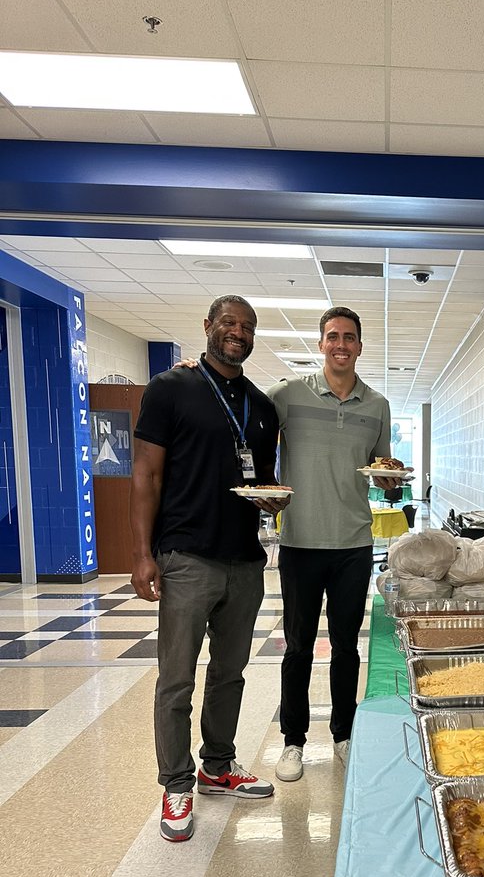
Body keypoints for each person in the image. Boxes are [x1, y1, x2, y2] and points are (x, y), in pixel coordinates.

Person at [130, 295, 285, 842]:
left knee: (230, 673)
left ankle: (217, 766)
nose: (237, 332)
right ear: (208, 327)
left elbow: (262, 481)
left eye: (246, 326)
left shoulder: (261, 407)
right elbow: (146, 475)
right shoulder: (171, 388)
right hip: (186, 555)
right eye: (228, 323)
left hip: (244, 558)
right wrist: (144, 552)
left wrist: (273, 501)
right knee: (176, 678)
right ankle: (175, 784)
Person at [270, 307, 399, 782]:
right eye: (332, 336)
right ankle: (293, 742)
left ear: (360, 346)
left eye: (349, 337)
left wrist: (390, 481)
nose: (340, 344)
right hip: (301, 542)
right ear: (320, 343)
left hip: (353, 544)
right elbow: (240, 406)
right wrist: (196, 372)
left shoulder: (377, 405)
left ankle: (343, 735)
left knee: (347, 647)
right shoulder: (288, 395)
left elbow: (384, 473)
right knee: (298, 647)